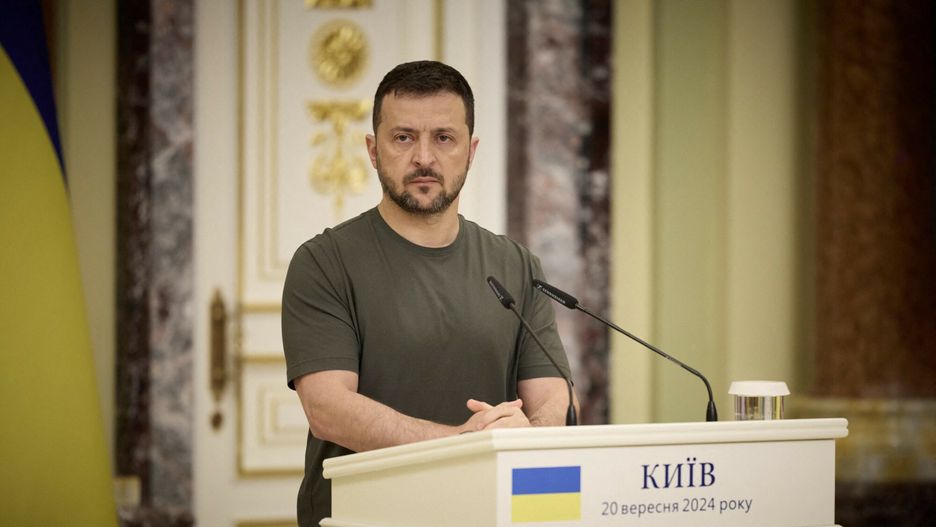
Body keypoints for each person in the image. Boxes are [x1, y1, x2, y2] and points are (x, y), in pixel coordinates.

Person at [282, 60, 578, 526]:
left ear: (471, 151)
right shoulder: (324, 262)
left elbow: (553, 396)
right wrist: (462, 443)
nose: (424, 157)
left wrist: (530, 434)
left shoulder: (517, 265)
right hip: (363, 516)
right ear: (373, 150)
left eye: (444, 138)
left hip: (488, 513)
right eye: (403, 138)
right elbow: (327, 409)